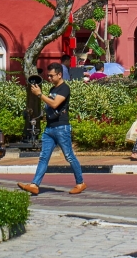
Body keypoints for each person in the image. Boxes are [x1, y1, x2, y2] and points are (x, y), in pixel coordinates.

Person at [18, 63, 86, 195]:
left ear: (59, 75)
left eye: (51, 75)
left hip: (62, 127)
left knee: (69, 156)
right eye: (48, 75)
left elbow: (55, 104)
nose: (49, 78)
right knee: (43, 157)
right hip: (50, 128)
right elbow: (49, 106)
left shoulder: (64, 88)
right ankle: (34, 184)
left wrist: (39, 94)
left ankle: (80, 183)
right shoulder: (52, 89)